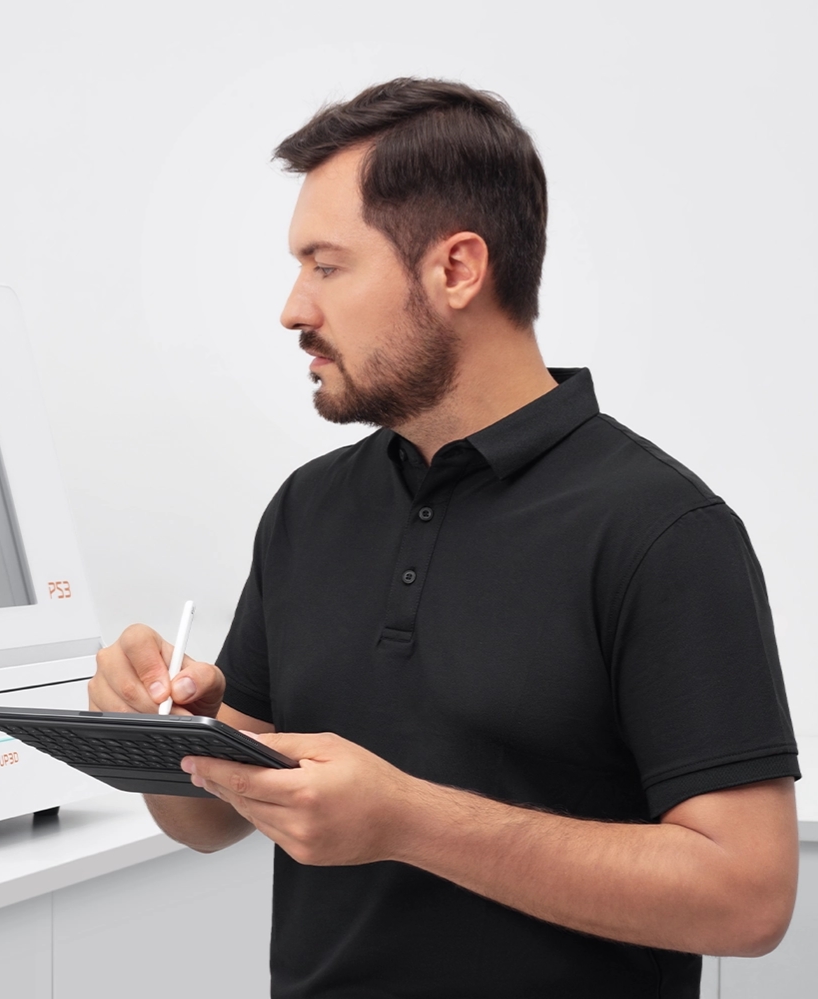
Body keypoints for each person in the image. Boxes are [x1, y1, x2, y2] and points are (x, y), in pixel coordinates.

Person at [89, 78, 799, 998]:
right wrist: (167, 737)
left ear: (457, 269)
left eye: (328, 266)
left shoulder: (663, 531)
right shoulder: (308, 509)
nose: (293, 309)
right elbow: (209, 823)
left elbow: (748, 898)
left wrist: (409, 822)